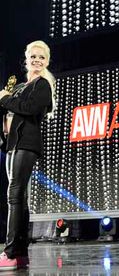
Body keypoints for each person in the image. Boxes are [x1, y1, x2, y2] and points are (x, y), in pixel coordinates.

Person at [0, 40, 56, 270]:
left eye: (41, 57)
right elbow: (11, 108)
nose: (36, 60)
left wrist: (5, 99)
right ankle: (20, 254)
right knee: (19, 199)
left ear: (47, 61)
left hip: (27, 143)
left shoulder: (43, 85)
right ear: (26, 58)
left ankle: (10, 252)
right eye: (33, 56)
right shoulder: (22, 86)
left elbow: (28, 109)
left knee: (14, 196)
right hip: (13, 143)